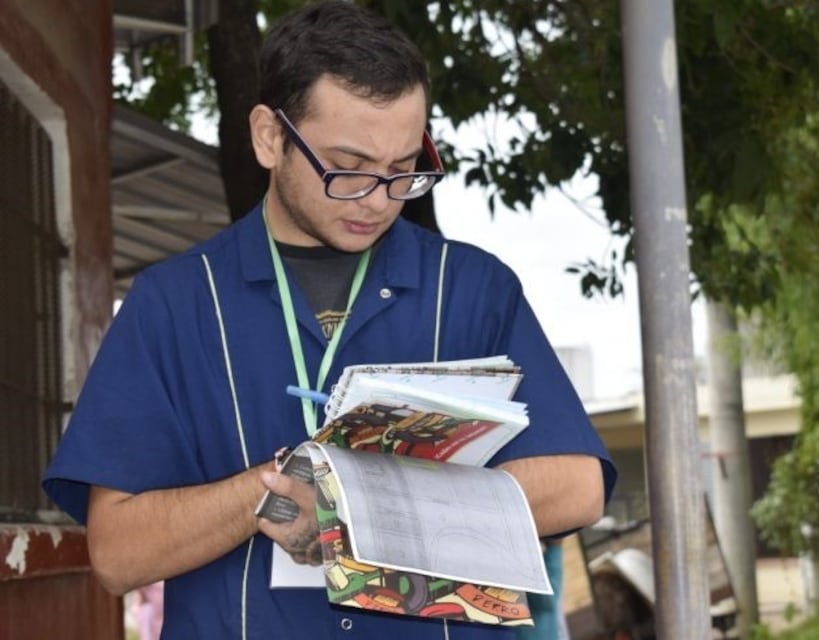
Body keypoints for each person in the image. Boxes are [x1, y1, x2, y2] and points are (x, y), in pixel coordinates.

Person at [43, 2, 616, 638]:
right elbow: (117, 553)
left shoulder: (473, 289)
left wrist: (357, 502)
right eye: (349, 168)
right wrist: (268, 491)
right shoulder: (173, 303)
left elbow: (579, 486)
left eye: (402, 170)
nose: (377, 200)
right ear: (270, 137)